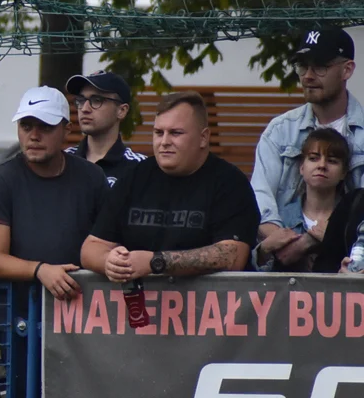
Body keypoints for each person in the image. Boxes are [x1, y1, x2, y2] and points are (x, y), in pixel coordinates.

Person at [81, 91, 260, 280]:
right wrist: (109, 262)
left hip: (209, 307)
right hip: (140, 306)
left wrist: (156, 262)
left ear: (203, 138)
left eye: (176, 133)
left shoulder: (230, 183)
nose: (164, 142)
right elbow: (91, 248)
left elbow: (232, 256)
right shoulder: (134, 177)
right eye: (158, 133)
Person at [0, 86, 108, 302]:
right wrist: (40, 270)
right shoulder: (0, 179)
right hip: (20, 315)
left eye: (45, 127)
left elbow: (107, 242)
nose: (34, 136)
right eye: (26, 126)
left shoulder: (92, 177)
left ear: (67, 130)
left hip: (82, 307)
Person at [253, 26, 364, 240]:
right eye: (303, 66)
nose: (308, 76)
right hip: (282, 254)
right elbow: (260, 197)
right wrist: (283, 243)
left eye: (320, 67)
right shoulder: (280, 130)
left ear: (347, 70)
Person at [253, 128, 349, 272]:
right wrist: (263, 250)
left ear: (343, 173)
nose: (322, 165)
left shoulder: (352, 221)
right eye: (313, 158)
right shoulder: (281, 219)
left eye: (332, 161)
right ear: (302, 167)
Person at [64, 71, 146, 187]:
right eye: (81, 100)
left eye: (97, 100)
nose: (85, 109)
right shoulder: (62, 161)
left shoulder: (139, 168)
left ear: (121, 111)